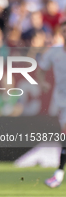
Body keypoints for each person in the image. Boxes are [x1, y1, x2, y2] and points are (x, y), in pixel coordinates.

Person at [37, 20, 66, 188]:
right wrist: (42, 83)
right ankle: (59, 172)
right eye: (64, 31)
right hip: (62, 100)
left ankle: (59, 172)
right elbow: (41, 69)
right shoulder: (54, 52)